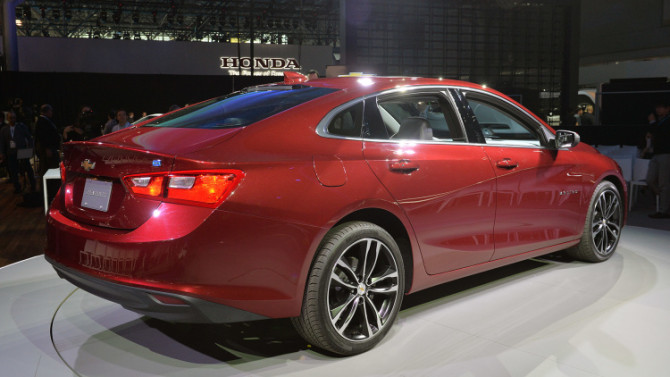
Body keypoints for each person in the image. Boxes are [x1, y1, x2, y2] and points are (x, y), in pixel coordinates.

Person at [0, 111, 36, 193]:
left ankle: (32, 185)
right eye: (10, 118)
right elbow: (2, 142)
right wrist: (2, 153)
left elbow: (29, 138)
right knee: (13, 171)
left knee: (28, 168)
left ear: (16, 118)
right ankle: (17, 187)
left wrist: (31, 148)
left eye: (14, 118)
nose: (12, 119)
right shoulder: (4, 129)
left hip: (22, 150)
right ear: (7, 119)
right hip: (10, 152)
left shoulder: (21, 127)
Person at [647, 99, 670, 218]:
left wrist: (652, 123)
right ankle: (663, 200)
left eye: (661, 107)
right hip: (656, 154)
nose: (658, 109)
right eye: (657, 107)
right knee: (650, 179)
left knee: (664, 183)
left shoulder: (666, 121)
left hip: (666, 154)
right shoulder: (659, 121)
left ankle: (663, 210)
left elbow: (661, 133)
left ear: (667, 108)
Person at [34, 104, 61, 178]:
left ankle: (51, 185)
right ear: (47, 111)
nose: (52, 112)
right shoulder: (42, 122)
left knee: (49, 167)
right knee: (46, 168)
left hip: (50, 149)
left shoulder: (46, 120)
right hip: (48, 150)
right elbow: (43, 137)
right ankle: (47, 187)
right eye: (51, 111)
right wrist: (47, 149)